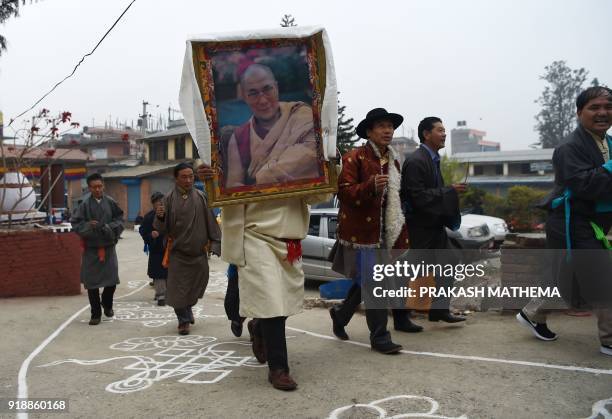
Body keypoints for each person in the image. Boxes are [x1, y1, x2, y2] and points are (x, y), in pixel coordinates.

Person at [197, 164, 329, 391]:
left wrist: (327, 159)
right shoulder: (238, 146)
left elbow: (319, 193)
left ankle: (259, 327)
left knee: (284, 302)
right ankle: (279, 369)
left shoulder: (298, 149)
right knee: (271, 301)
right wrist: (211, 178)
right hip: (253, 235)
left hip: (289, 237)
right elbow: (220, 196)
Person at [517, 86, 612, 355]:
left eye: (608, 107)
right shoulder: (569, 148)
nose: (603, 112)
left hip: (593, 223)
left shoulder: (608, 143)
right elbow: (585, 185)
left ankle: (532, 313)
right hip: (571, 222)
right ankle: (609, 339)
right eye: (595, 107)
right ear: (580, 112)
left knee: (566, 281)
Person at [329, 108, 422, 355]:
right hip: (362, 235)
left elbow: (395, 202)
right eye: (381, 126)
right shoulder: (354, 157)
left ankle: (340, 315)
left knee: (368, 282)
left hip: (385, 232)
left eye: (390, 126)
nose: (388, 130)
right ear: (369, 131)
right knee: (374, 283)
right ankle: (380, 337)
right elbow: (344, 193)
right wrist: (369, 186)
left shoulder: (394, 160)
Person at [400, 117, 467, 323]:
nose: (444, 133)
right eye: (439, 130)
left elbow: (433, 193)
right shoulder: (416, 161)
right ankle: (396, 314)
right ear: (426, 134)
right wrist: (449, 190)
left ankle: (438, 310)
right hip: (420, 228)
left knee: (450, 263)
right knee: (405, 272)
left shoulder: (433, 159)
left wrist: (450, 192)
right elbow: (417, 197)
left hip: (435, 226)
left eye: (444, 130)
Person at [223, 63, 321, 188]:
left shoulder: (302, 117)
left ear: (276, 87)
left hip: (295, 205)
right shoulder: (239, 137)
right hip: (257, 206)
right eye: (253, 93)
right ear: (244, 97)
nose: (263, 100)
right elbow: (233, 184)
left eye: (267, 89)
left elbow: (310, 159)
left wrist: (264, 177)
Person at [154, 163, 221, 335]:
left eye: (191, 176)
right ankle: (183, 321)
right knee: (177, 290)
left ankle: (188, 309)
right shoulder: (167, 200)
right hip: (178, 254)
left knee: (196, 286)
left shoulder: (201, 197)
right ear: (176, 178)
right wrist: (160, 217)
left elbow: (210, 221)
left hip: (198, 253)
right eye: (184, 177)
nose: (188, 180)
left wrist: (215, 243)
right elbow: (160, 229)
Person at [71, 173, 124, 325]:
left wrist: (108, 227)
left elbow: (120, 219)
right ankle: (96, 314)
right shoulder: (84, 205)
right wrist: (88, 226)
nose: (98, 189)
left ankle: (107, 304)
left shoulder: (111, 202)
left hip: (108, 247)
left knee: (112, 281)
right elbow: (75, 223)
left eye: (100, 186)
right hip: (91, 249)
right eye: (94, 187)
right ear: (89, 188)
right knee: (92, 284)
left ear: (103, 186)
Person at [139, 192, 168, 306]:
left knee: (169, 272)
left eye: (162, 202)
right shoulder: (149, 217)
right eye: (158, 202)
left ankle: (165, 293)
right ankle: (161, 295)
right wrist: (151, 235)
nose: (160, 204)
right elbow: (143, 232)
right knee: (158, 273)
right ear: (153, 204)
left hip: (169, 248)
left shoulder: (170, 214)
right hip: (156, 249)